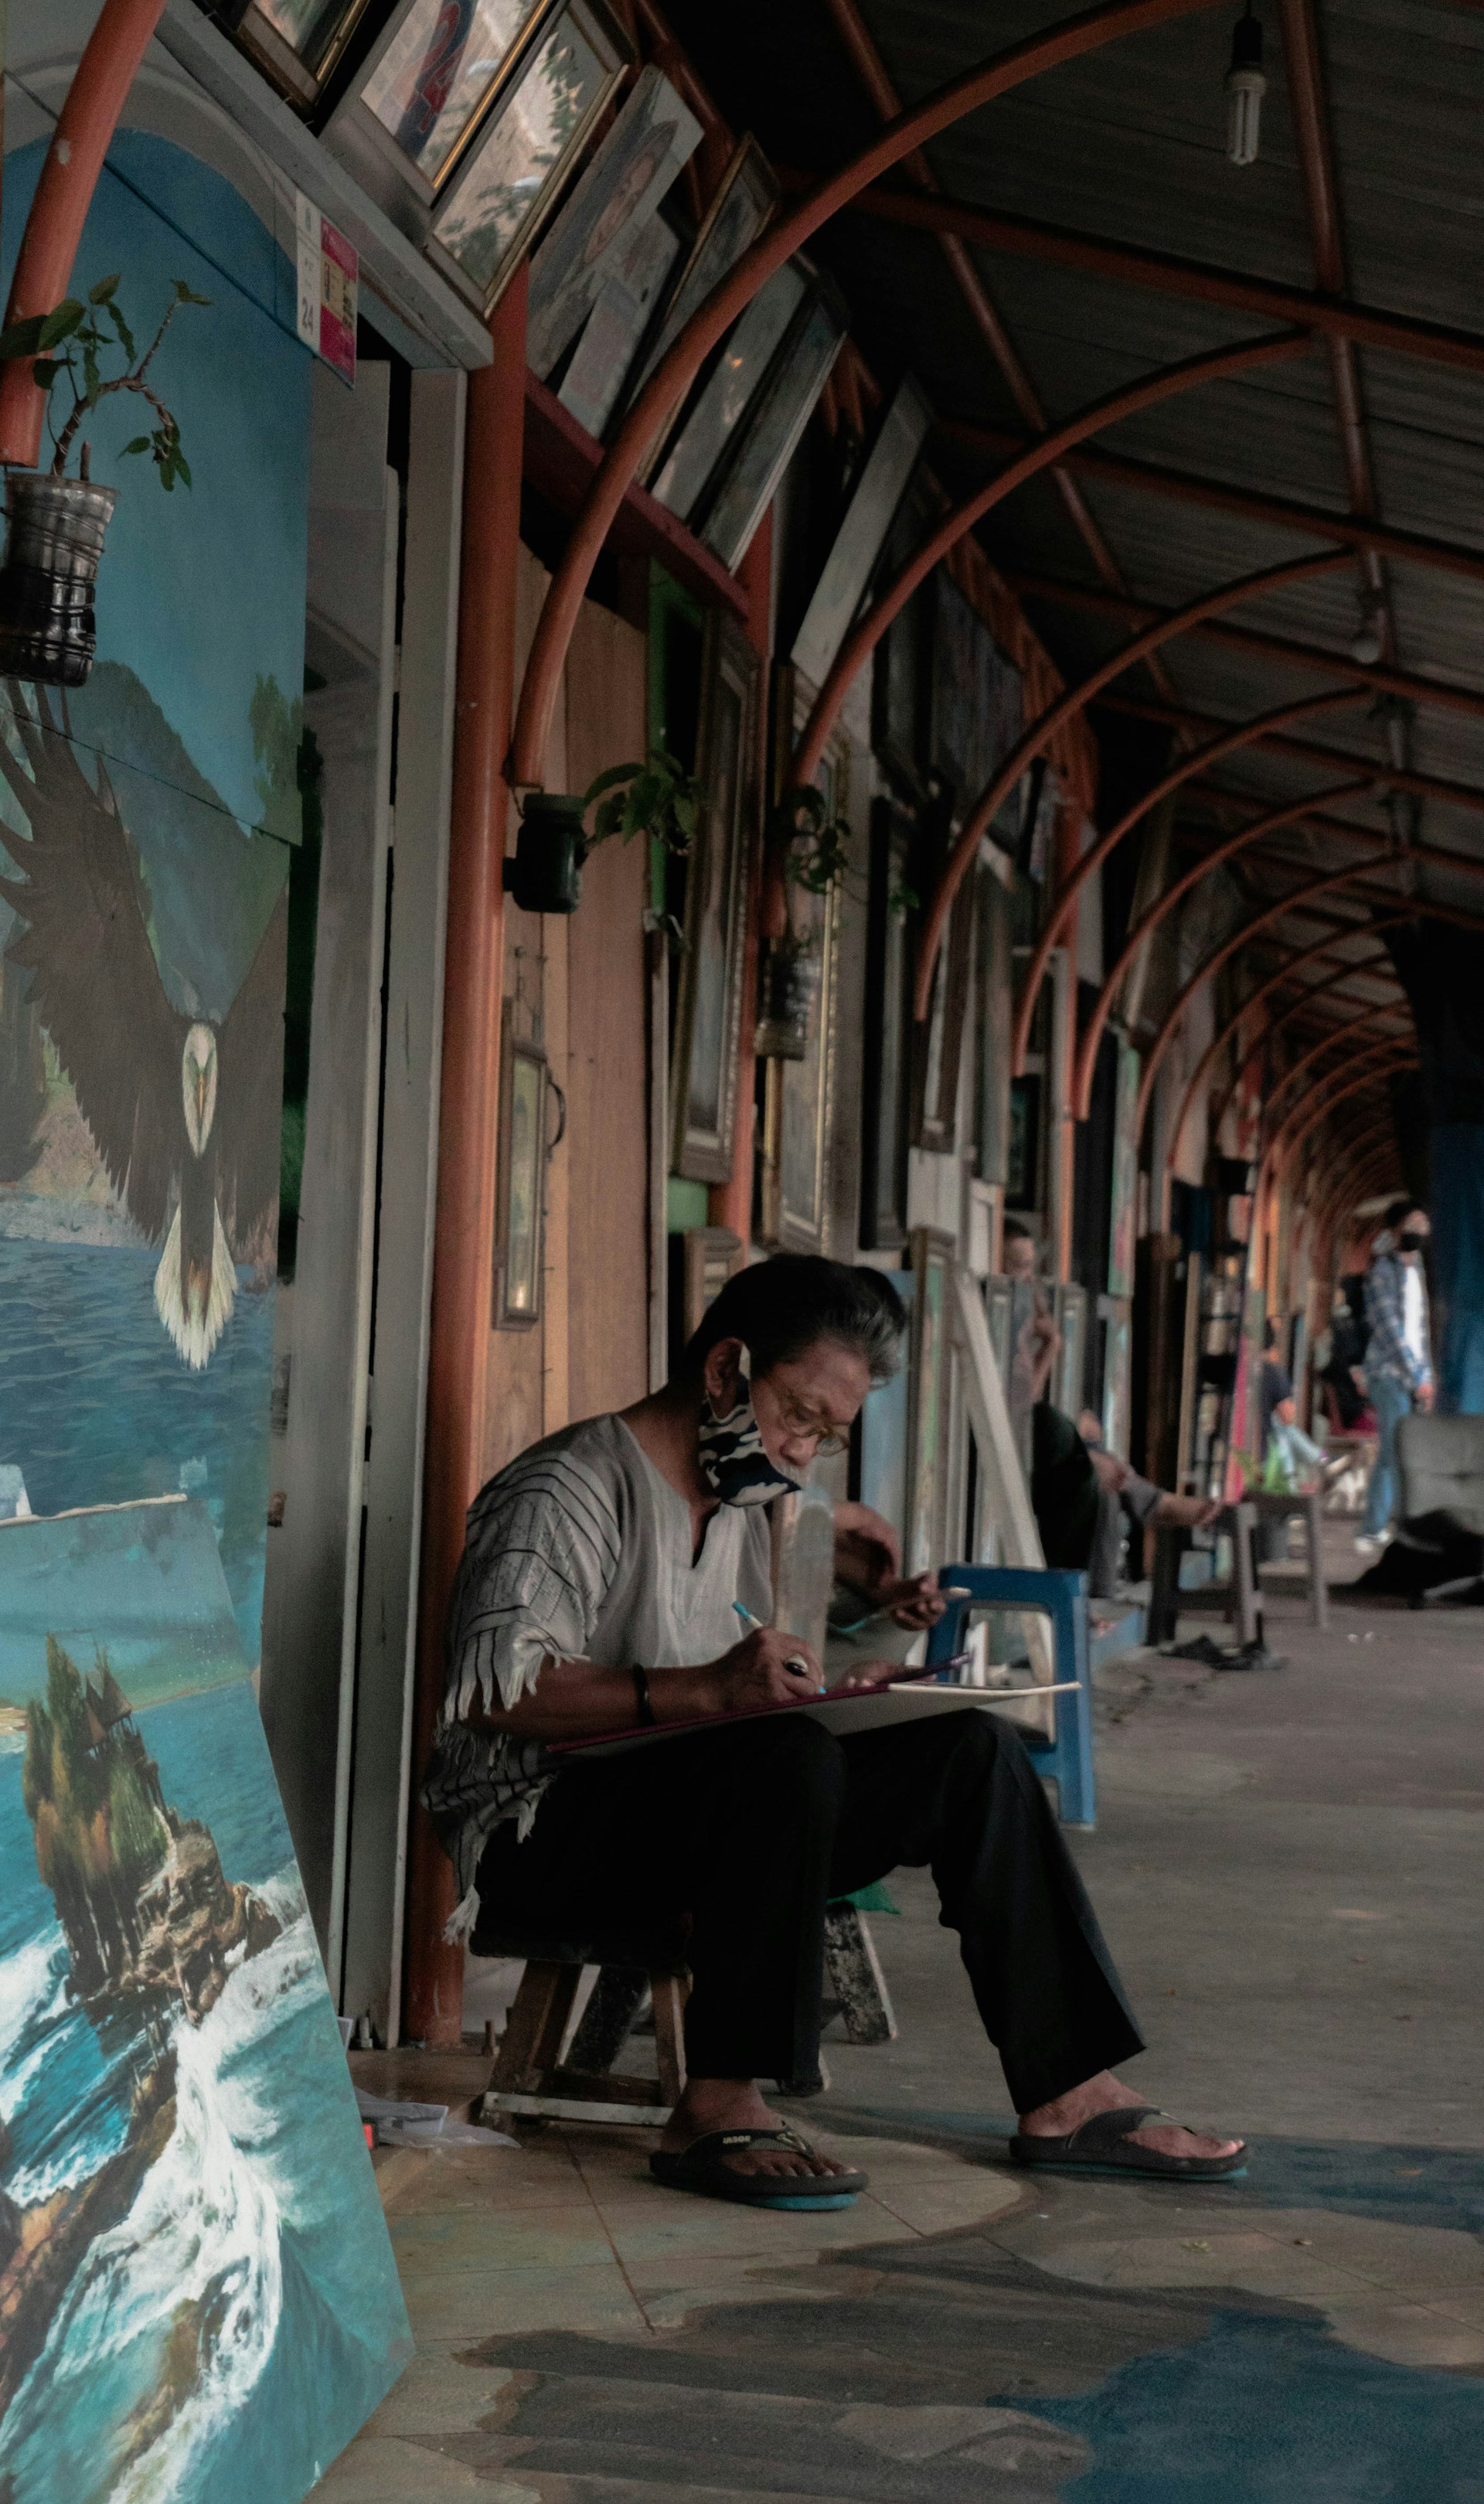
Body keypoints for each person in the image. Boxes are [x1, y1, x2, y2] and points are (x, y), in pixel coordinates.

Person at [424, 1255, 1244, 2206]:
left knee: (966, 1752)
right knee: (785, 1756)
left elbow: (730, 1710)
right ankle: (720, 2097)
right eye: (798, 1415)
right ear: (728, 1368)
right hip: (539, 1837)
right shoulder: (566, 1488)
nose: (803, 1453)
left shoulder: (736, 1501)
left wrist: (835, 1696)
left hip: (691, 1814)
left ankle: (1068, 2088)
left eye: (827, 1434)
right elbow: (496, 1692)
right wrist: (712, 1692)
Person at [1031, 1405, 1220, 1598]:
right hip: (1042, 1452)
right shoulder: (1046, 1420)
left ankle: (1152, 1500)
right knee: (1107, 1485)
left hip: (1050, 1457)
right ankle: (1157, 1502)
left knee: (1108, 1487)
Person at [1358, 1201, 1434, 1553]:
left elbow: (1422, 1331)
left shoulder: (1418, 1271)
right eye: (1412, 1223)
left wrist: (1427, 1376)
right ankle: (1376, 1527)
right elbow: (1390, 1331)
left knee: (1412, 1452)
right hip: (1390, 1373)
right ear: (1395, 1230)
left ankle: (1406, 1525)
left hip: (1417, 1376)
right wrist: (1417, 1375)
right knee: (1394, 1450)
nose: (1419, 1230)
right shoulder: (1382, 1271)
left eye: (1423, 1224)